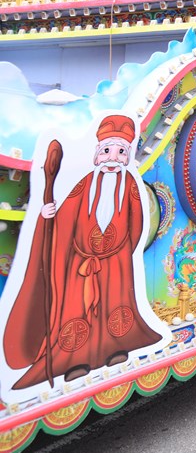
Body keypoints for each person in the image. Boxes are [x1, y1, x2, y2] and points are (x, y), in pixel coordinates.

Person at [3, 115, 165, 389]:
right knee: (77, 311)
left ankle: (114, 350)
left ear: (126, 157)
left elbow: (136, 224)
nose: (113, 158)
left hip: (116, 263)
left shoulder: (129, 189)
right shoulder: (84, 186)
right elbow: (64, 221)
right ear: (97, 153)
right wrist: (47, 215)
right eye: (107, 151)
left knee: (115, 307)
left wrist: (121, 252)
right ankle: (74, 361)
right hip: (81, 263)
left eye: (121, 152)